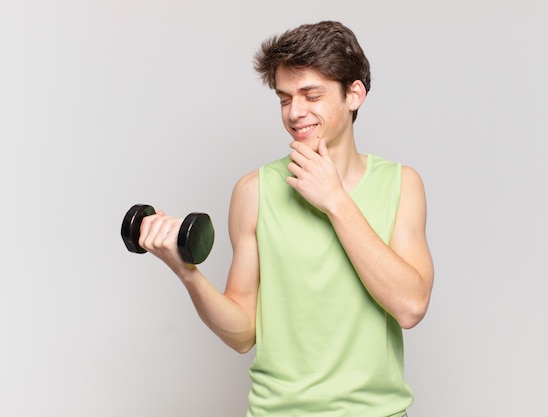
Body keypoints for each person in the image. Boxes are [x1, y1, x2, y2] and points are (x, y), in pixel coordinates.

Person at [138, 20, 434, 417]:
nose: (295, 113)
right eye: (284, 98)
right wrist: (187, 273)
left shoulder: (402, 184)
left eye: (312, 95)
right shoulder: (253, 192)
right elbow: (243, 333)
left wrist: (335, 201)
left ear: (354, 94)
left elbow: (411, 306)